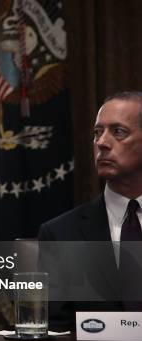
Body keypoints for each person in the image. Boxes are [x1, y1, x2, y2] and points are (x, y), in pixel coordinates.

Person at [39, 91, 142, 328]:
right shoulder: (61, 234)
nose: (102, 143)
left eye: (118, 132)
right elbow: (53, 335)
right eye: (97, 133)